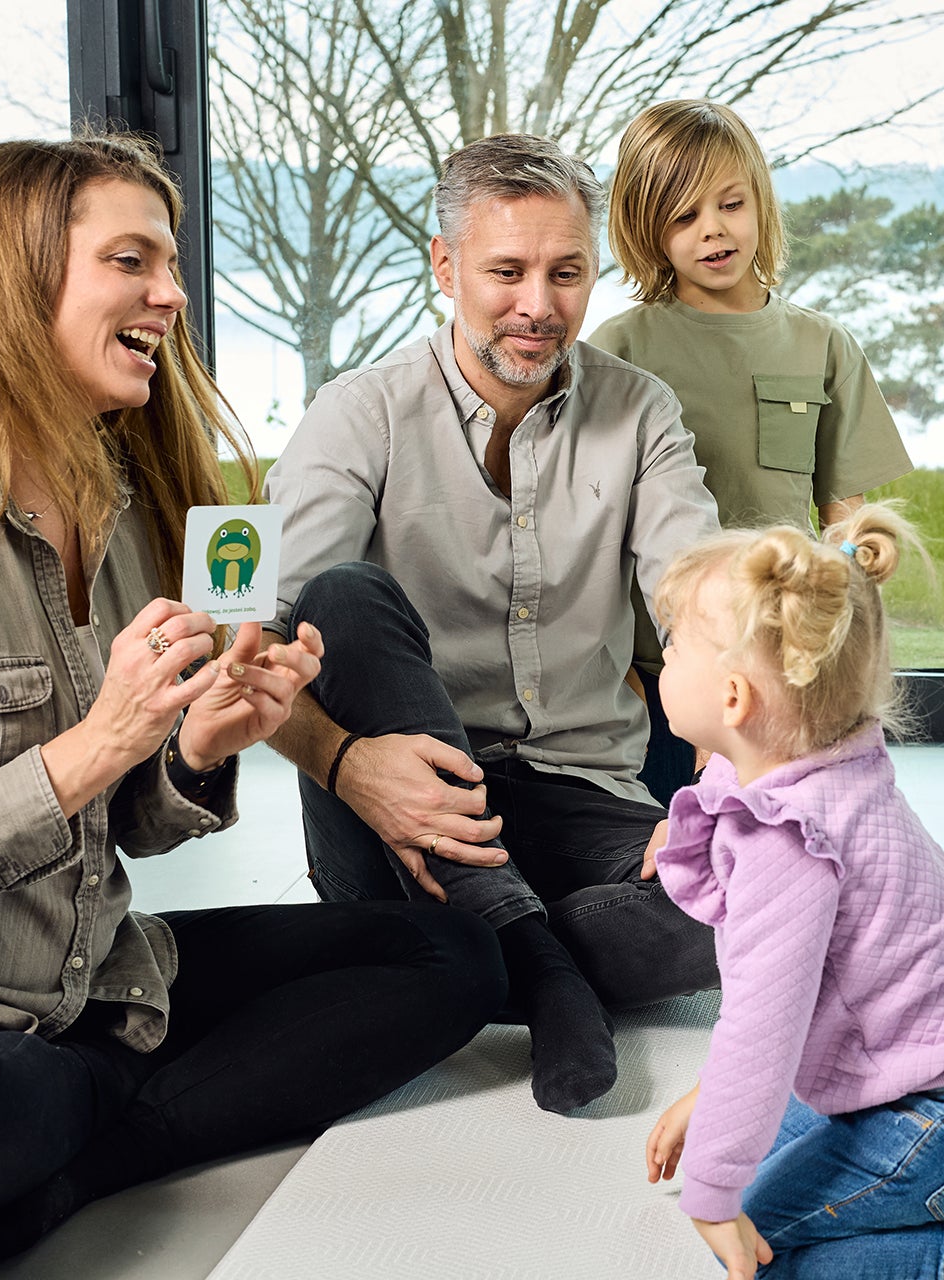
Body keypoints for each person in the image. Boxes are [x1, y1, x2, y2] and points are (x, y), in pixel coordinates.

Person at [0, 135, 506, 1260]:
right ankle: (77, 1112)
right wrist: (96, 743)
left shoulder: (123, 506)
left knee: (452, 958)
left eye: (169, 263)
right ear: (15, 279)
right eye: (133, 261)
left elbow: (125, 828)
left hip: (87, 978)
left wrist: (196, 753)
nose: (172, 294)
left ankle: (80, 1154)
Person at [264, 133, 720, 1115]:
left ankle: (487, 948)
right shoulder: (359, 415)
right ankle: (547, 966)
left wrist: (723, 787)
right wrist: (350, 766)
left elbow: (700, 592)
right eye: (506, 270)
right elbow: (257, 646)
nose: (539, 305)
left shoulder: (641, 412)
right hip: (403, 807)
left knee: (742, 898)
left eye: (567, 272)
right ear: (445, 265)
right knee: (341, 595)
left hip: (585, 794)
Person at [643, 506, 944, 1280]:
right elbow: (792, 1014)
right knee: (758, 1138)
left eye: (670, 649)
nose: (658, 662)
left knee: (757, 1253)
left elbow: (761, 1028)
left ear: (732, 700)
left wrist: (713, 1194)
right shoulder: (834, 758)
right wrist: (716, 1102)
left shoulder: (785, 845)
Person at [590, 99, 912, 806]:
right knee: (669, 870)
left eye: (730, 204)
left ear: (760, 203)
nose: (713, 230)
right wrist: (621, 674)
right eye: (683, 217)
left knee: (790, 845)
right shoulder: (615, 352)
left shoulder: (822, 346)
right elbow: (586, 531)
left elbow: (844, 517)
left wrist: (862, 554)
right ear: (647, 230)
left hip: (785, 671)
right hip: (658, 679)